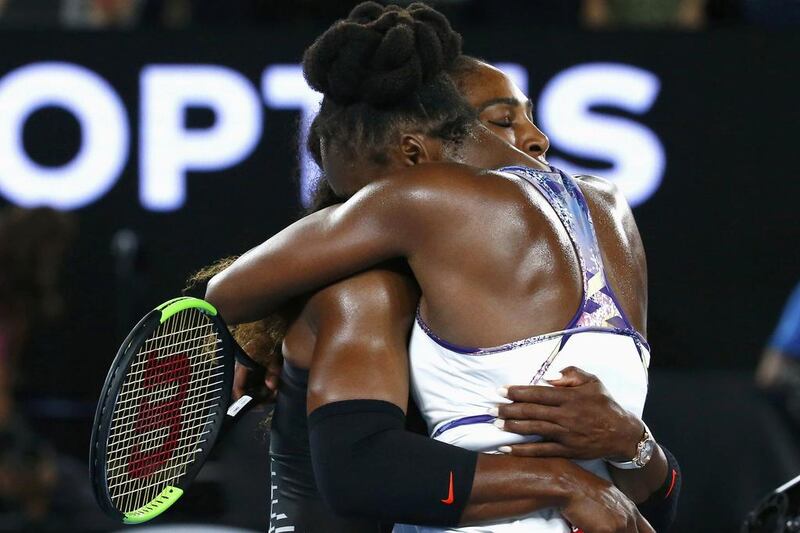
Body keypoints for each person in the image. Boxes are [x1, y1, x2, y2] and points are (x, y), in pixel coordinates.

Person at [209, 3, 679, 531]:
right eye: (503, 120)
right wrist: (594, 472)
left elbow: (223, 293)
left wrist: (632, 448)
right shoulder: (611, 208)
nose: (537, 139)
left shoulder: (421, 207)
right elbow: (361, 474)